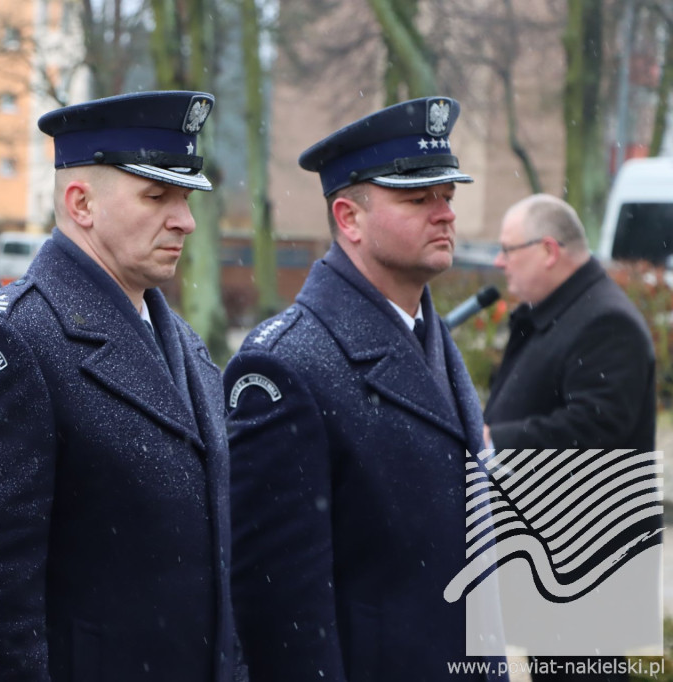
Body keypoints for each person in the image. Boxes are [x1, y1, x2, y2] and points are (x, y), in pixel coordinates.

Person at [0, 91, 237, 682]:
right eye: (158, 196)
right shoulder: (14, 341)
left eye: (186, 197)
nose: (185, 219)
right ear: (81, 203)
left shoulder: (178, 339)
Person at [224, 97, 504, 680]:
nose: (445, 213)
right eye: (417, 198)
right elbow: (283, 615)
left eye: (447, 196)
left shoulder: (425, 332)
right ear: (349, 218)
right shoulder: (288, 365)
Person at [484, 194, 656, 682]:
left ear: (548, 250)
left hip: (584, 567)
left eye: (507, 249)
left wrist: (495, 440)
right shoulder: (562, 311)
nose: (499, 262)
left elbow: (596, 431)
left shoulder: (605, 321)